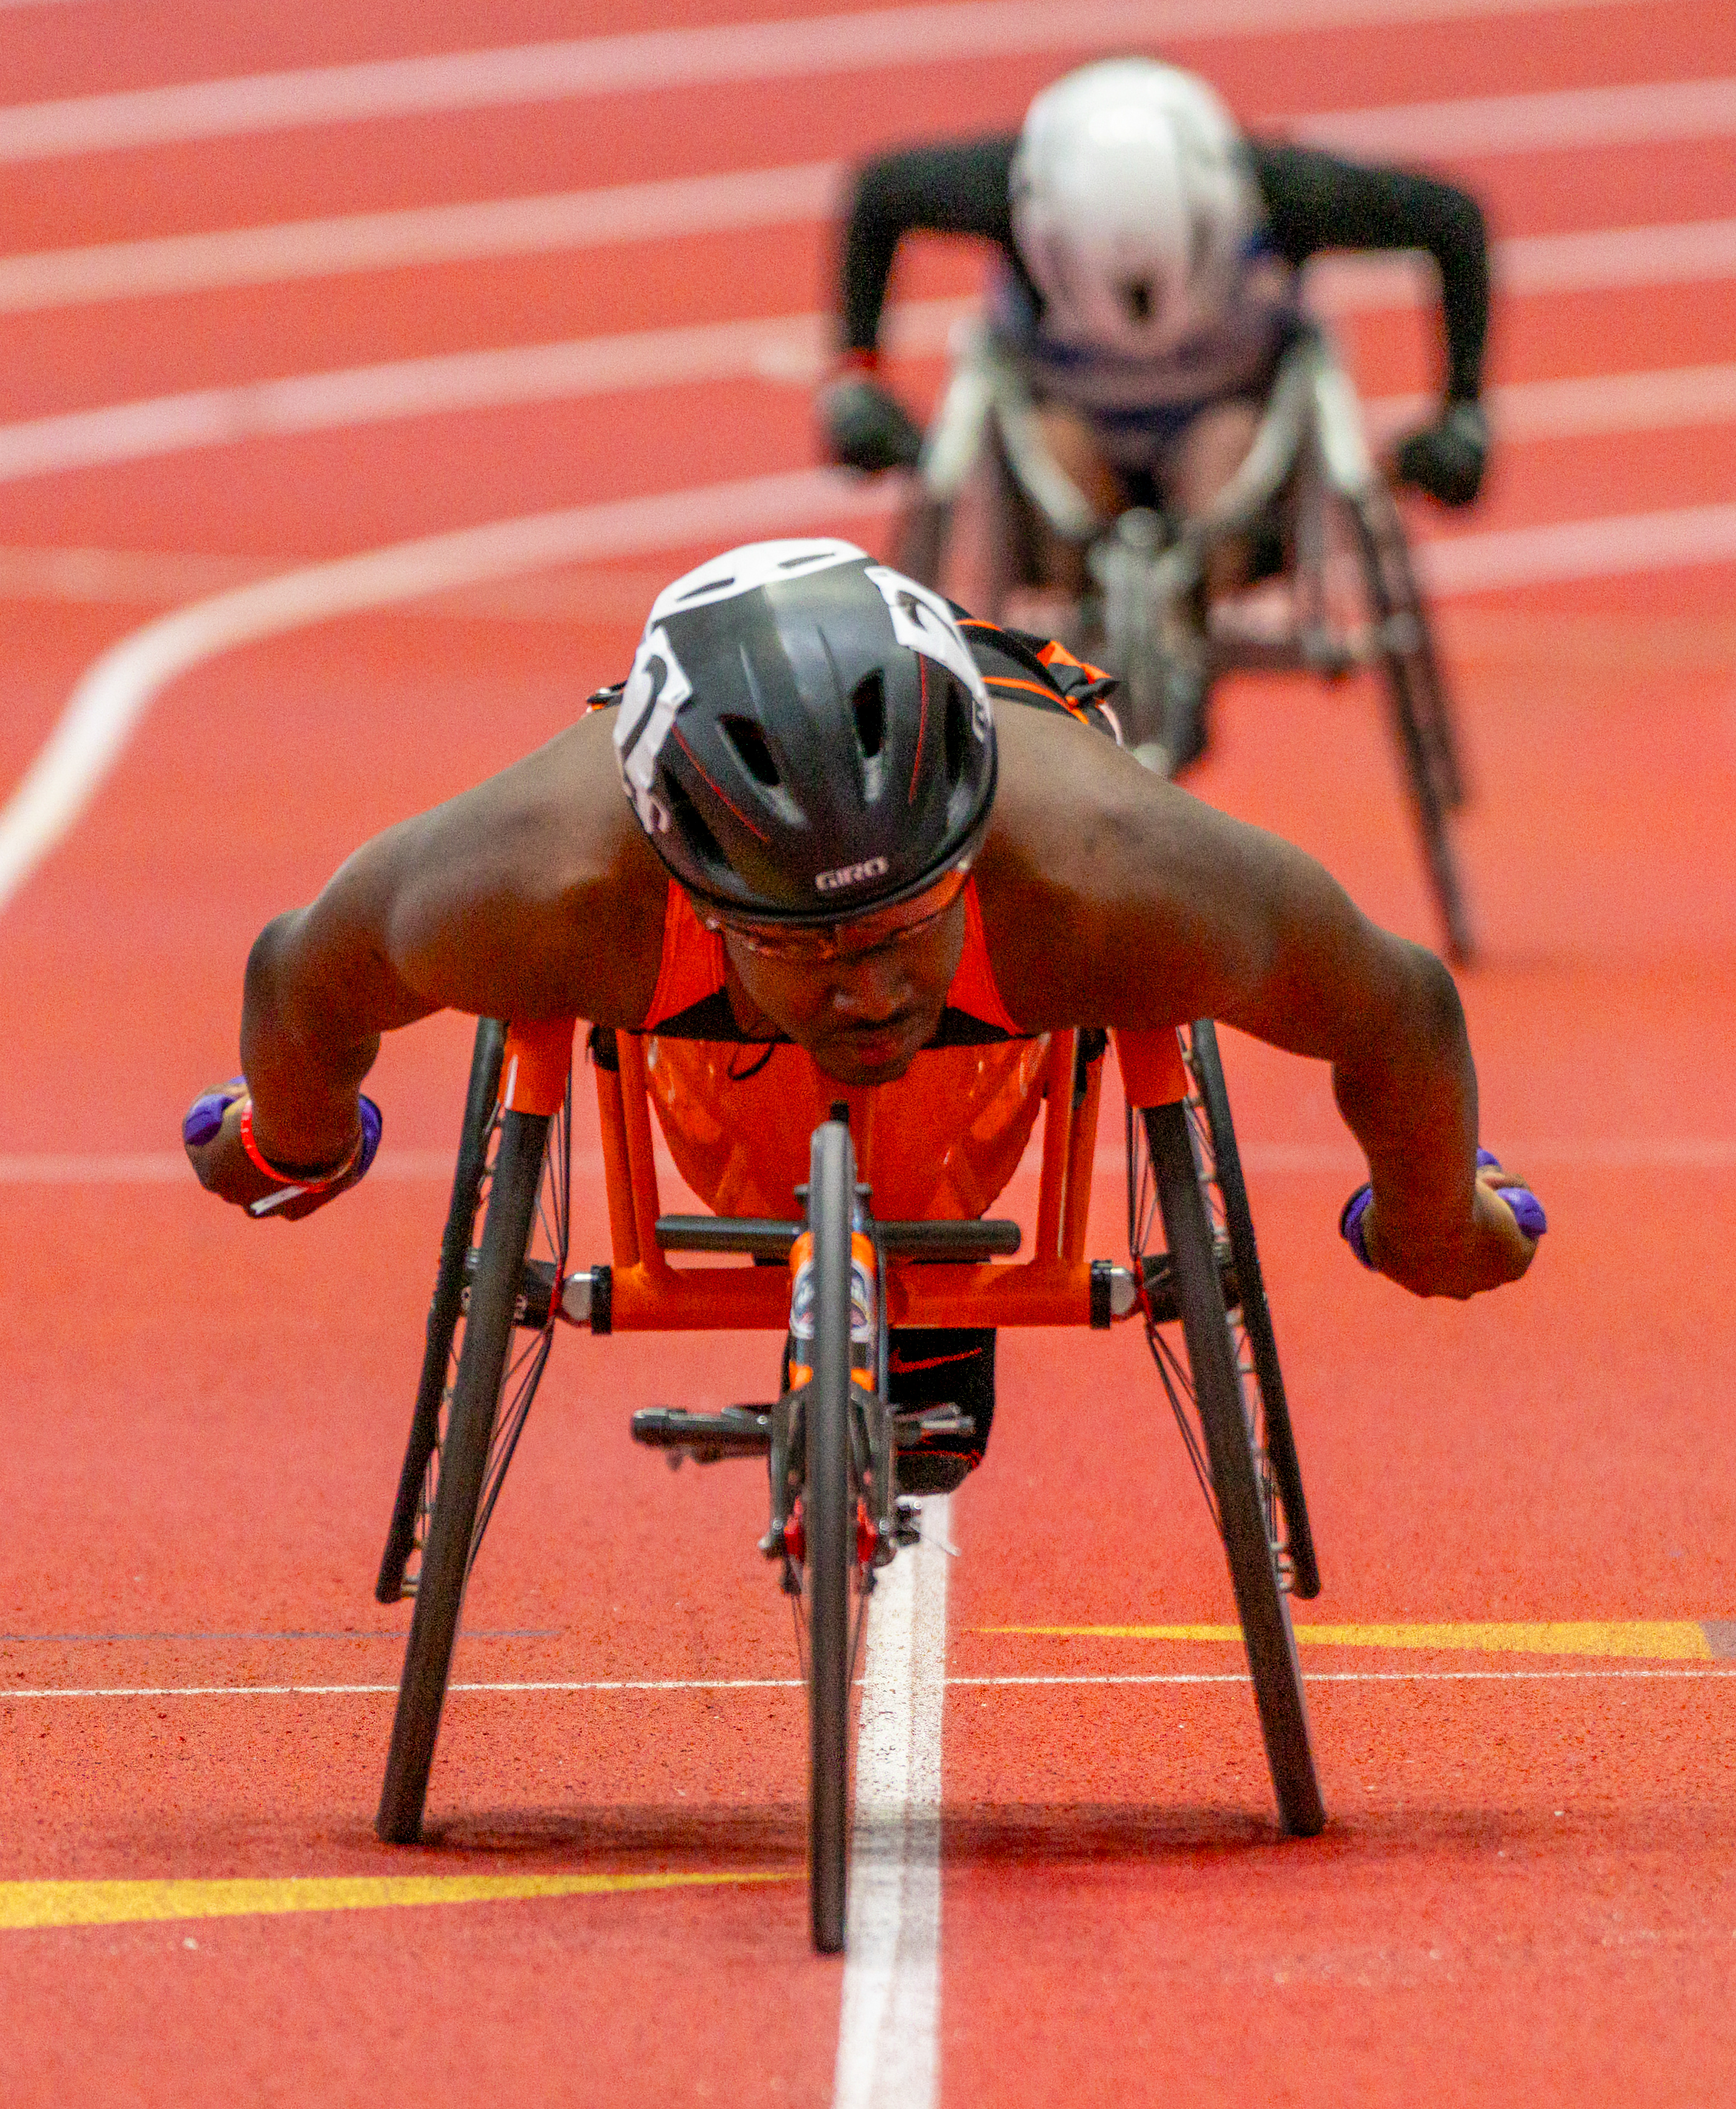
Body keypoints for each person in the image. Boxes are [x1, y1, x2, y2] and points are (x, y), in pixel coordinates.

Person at [184, 539, 1541, 1490]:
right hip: (706, 1047)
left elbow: (1398, 1006)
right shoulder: (538, 882)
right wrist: (291, 1141)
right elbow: (297, 979)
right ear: (697, 893)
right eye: (813, 945)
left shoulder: (1109, 877)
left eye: (902, 930)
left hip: (1010, 991)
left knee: (963, 1006)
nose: (872, 985)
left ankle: (923, 1297)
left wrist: (1434, 1223)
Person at [819, 57, 1491, 766]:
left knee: (1224, 455)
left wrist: (1464, 412)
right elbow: (878, 196)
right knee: (1055, 456)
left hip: (1229, 430)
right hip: (1063, 427)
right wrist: (856, 381)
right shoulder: (1004, 187)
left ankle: (1183, 637)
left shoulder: (1287, 193)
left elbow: (1451, 220)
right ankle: (1082, 670)